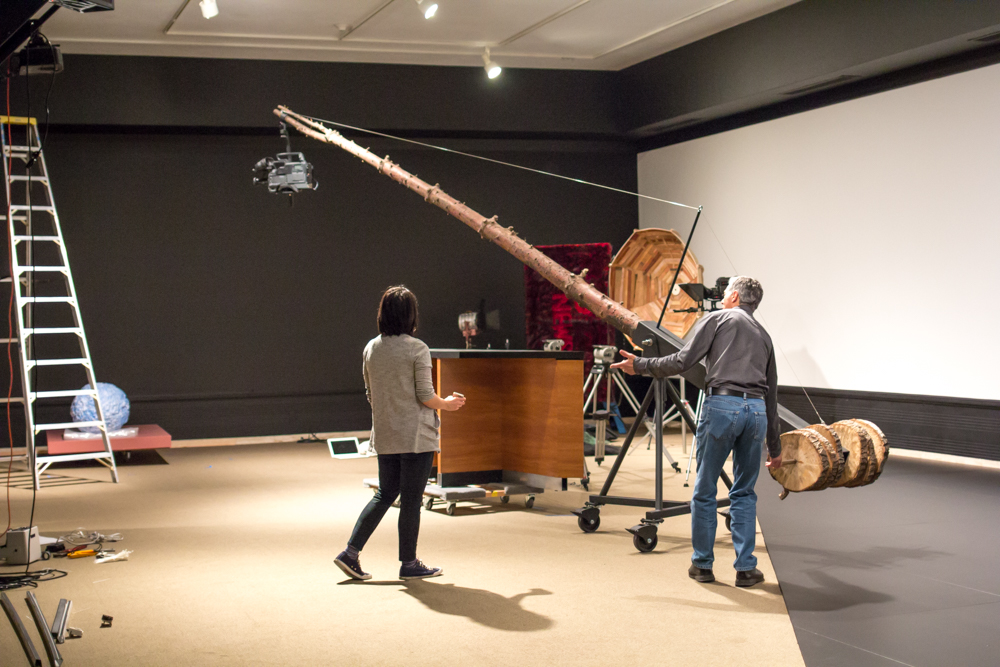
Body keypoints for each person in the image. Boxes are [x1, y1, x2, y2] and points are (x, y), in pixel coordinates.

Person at [611, 276, 781, 588]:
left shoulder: (716, 318)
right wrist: (776, 449)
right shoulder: (766, 336)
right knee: (743, 492)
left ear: (732, 297)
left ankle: (703, 565)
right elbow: (772, 396)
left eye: (725, 293)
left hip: (722, 407)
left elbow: (682, 361)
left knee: (705, 490)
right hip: (755, 412)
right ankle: (745, 569)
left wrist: (640, 365)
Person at [335, 285, 466, 581]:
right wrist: (448, 404)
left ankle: (350, 553)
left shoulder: (371, 348)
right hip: (416, 435)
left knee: (385, 494)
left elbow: (371, 394)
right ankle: (409, 563)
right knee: (410, 501)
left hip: (385, 433)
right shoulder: (417, 348)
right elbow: (425, 396)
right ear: (410, 315)